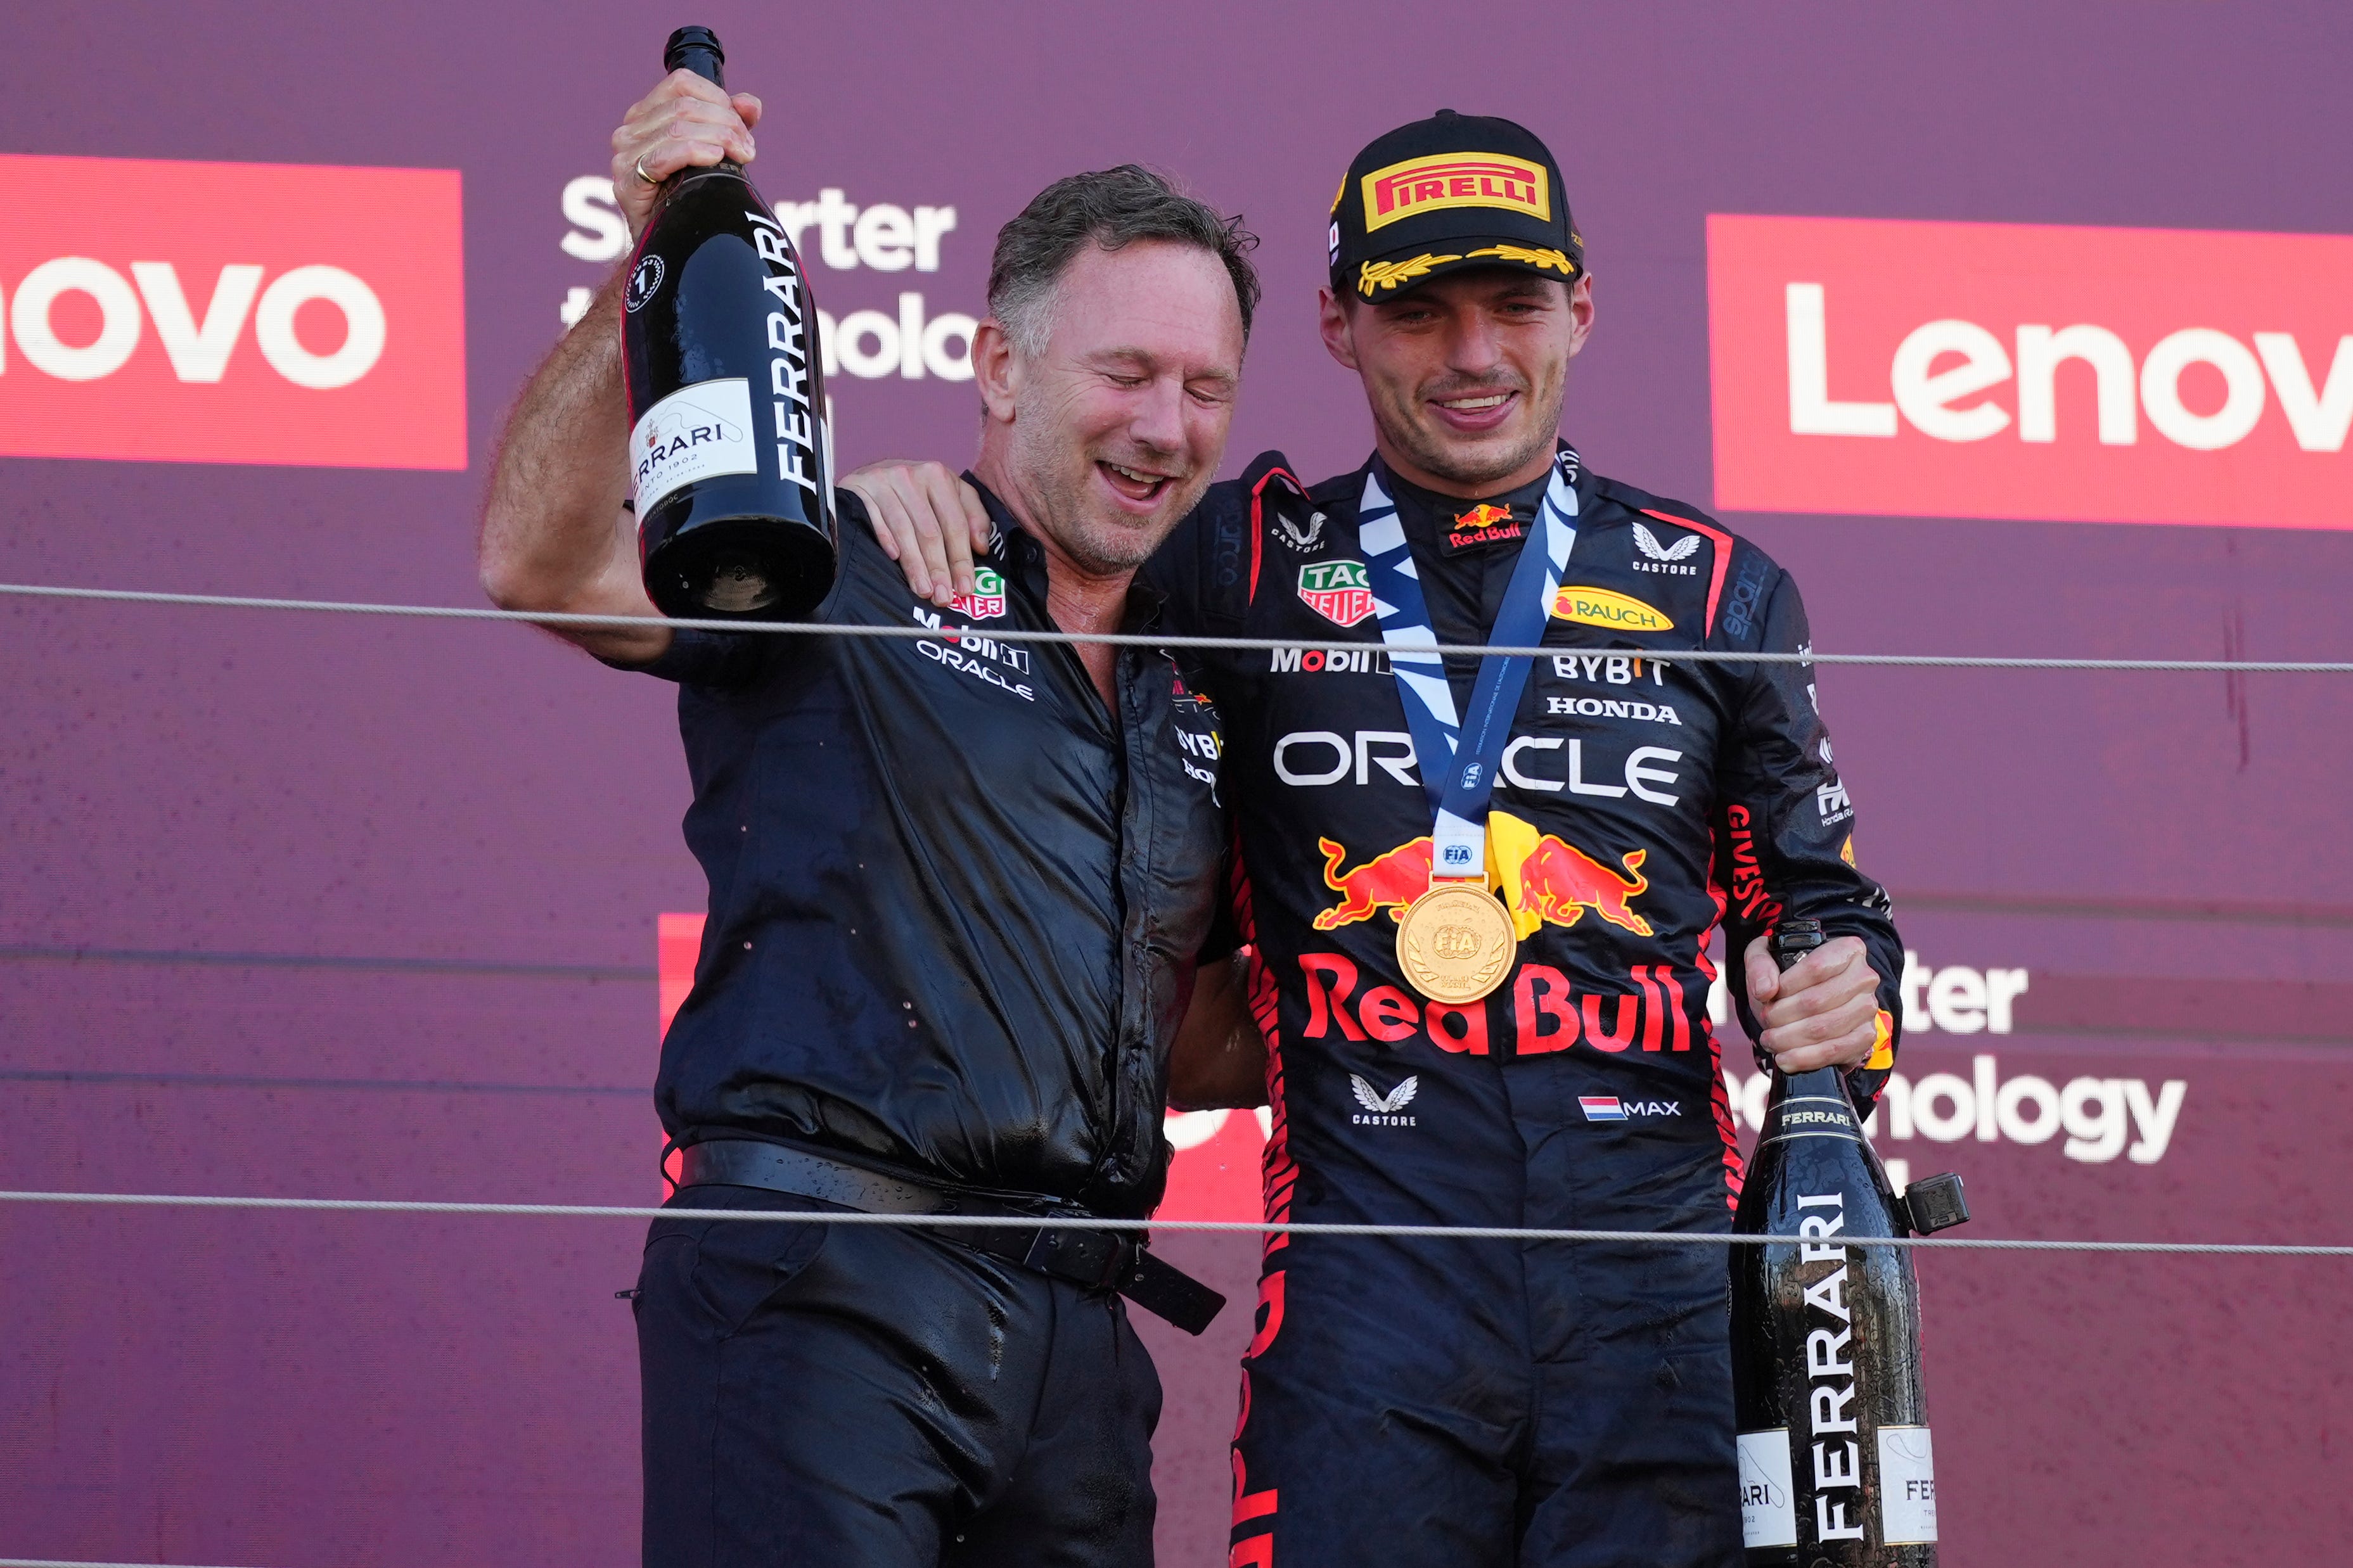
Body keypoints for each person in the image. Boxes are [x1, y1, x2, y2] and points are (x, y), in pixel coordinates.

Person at [847, 110, 1907, 1568]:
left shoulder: (1719, 586)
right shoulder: (1233, 557)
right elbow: (1042, 589)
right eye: (1420, 311)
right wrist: (915, 505)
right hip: (1367, 1300)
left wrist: (1846, 986)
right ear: (1343, 327)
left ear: (1582, 309)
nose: (1473, 354)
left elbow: (1824, 908)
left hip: (1662, 1300)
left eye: (1515, 304)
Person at [477, 65, 1270, 1568]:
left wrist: (1450, 983)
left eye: (1205, 387)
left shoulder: (1194, 682)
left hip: (1080, 1344)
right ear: (996, 364)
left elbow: (1196, 1040)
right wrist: (654, 246)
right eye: (1124, 373)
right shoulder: (842, 557)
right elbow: (540, 562)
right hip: (818, 1293)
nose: (1165, 426)